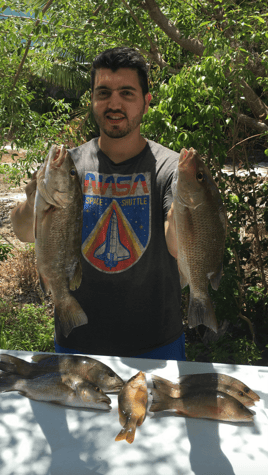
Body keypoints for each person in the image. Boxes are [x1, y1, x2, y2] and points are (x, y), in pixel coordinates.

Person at [11, 47, 185, 361]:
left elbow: (177, 246)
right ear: (92, 99)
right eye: (103, 92)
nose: (114, 103)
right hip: (77, 341)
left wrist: (190, 208)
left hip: (158, 344)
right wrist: (33, 199)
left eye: (127, 93)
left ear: (146, 102)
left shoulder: (169, 168)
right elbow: (24, 231)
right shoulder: (69, 165)